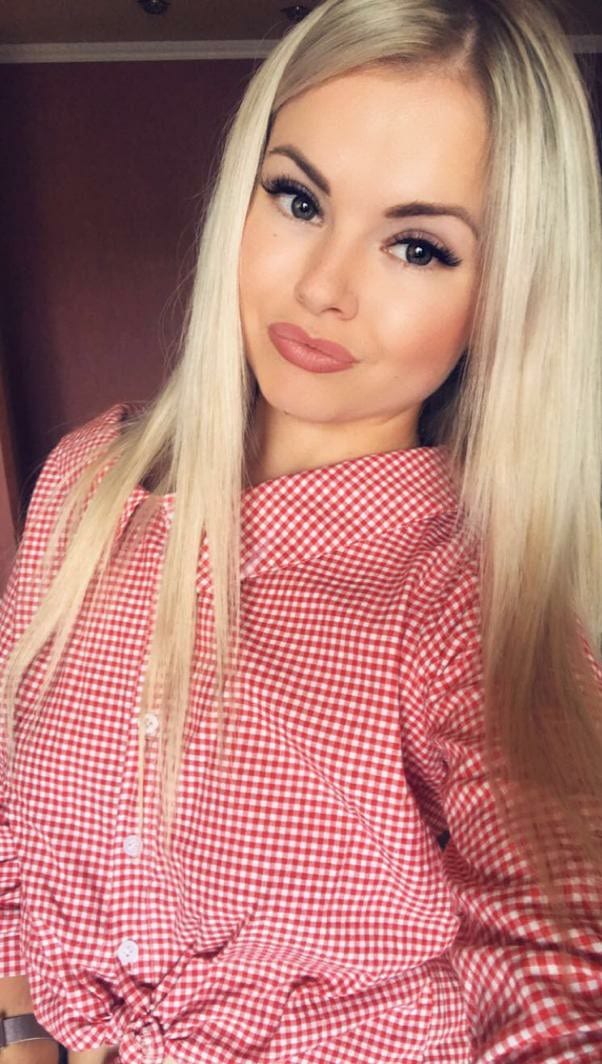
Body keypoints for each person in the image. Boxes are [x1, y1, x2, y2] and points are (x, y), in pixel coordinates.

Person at [0, 0, 601, 1061]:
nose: (323, 287)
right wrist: (21, 1028)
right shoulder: (92, 476)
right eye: (298, 198)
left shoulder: (469, 598)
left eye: (417, 247)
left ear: (507, 296)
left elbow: (560, 926)